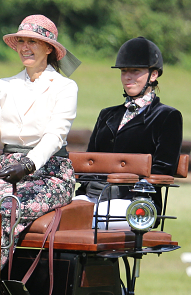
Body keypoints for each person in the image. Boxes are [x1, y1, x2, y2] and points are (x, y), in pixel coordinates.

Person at [0, 15, 80, 261]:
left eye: (33, 41)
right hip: (8, 171)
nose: (24, 47)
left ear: (49, 48)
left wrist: (30, 163)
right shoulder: (5, 85)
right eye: (20, 41)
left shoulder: (65, 87)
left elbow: (56, 134)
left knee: (4, 212)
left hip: (50, 175)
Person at [77, 36, 183, 226]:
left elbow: (163, 168)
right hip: (97, 195)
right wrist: (87, 188)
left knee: (89, 219)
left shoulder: (167, 116)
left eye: (135, 71)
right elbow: (90, 161)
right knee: (61, 215)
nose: (127, 77)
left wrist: (122, 187)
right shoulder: (107, 115)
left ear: (153, 75)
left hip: (138, 202)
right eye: (124, 71)